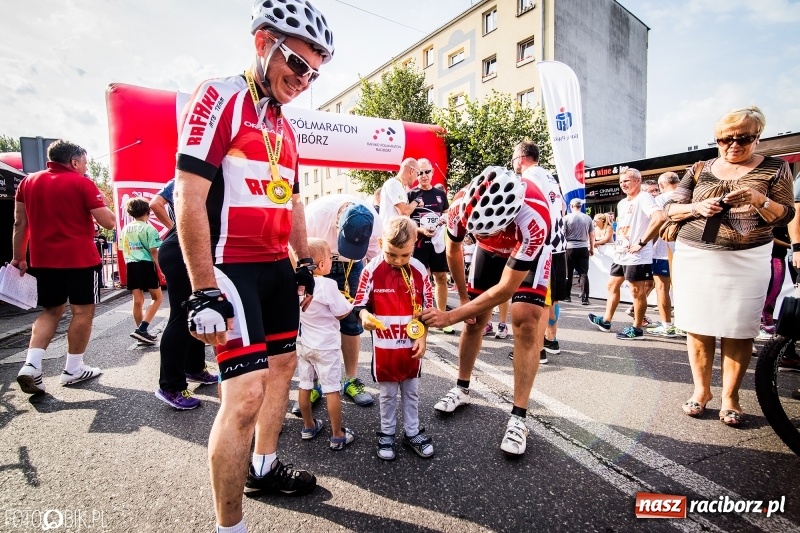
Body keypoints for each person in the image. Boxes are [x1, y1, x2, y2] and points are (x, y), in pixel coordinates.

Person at [174, 2, 334, 530]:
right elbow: (188, 195)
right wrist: (202, 290)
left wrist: (303, 263)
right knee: (243, 397)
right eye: (298, 64)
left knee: (283, 372)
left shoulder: (283, 124)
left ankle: (263, 466)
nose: (304, 79)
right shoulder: (221, 95)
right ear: (264, 42)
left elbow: (290, 202)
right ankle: (230, 525)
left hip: (274, 269)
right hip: (229, 266)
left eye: (314, 72)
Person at [663, 106, 795, 426]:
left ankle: (730, 396)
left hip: (747, 257)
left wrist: (758, 199)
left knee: (739, 328)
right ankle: (701, 392)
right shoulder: (699, 168)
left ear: (757, 137)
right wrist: (696, 207)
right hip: (696, 254)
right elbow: (670, 208)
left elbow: (787, 215)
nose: (733, 145)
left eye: (743, 138)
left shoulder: (775, 169)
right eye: (724, 139)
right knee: (698, 325)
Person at [420, 166, 551, 456]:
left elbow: (505, 290)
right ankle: (462, 388)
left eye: (490, 230)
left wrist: (450, 316)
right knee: (475, 320)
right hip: (489, 253)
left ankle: (519, 418)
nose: (483, 234)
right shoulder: (459, 207)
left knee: (525, 321)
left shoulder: (534, 217)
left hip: (528, 250)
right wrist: (465, 303)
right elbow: (453, 250)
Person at [13, 140, 115, 394]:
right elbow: (109, 222)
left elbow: (19, 223)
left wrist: (19, 258)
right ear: (74, 162)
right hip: (80, 259)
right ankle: (73, 369)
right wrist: (100, 200)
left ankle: (31, 366)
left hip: (43, 259)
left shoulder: (27, 182)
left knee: (51, 311)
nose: (85, 167)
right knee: (82, 313)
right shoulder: (81, 182)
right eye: (84, 163)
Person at [354, 216, 434, 461]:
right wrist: (365, 316)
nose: (398, 261)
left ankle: (412, 432)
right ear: (380, 243)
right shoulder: (371, 270)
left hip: (411, 346)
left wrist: (424, 337)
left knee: (411, 392)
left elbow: (427, 309)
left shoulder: (420, 270)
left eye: (405, 255)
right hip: (385, 348)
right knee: (387, 393)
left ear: (414, 246)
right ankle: (386, 433)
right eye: (392, 254)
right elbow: (359, 304)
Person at [302, 193, 381, 409]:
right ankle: (312, 384)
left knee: (352, 321)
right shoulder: (315, 216)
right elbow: (299, 251)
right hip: (316, 264)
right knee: (313, 321)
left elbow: (377, 262)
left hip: (352, 267)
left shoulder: (374, 222)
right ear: (338, 222)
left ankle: (351, 380)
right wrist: (304, 281)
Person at [149, 179, 218, 410]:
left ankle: (194, 367)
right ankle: (171, 386)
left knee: (198, 309)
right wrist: (174, 228)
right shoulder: (197, 171)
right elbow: (155, 203)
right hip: (183, 250)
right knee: (181, 316)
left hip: (186, 247)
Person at [587, 168, 665, 340]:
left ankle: (637, 329)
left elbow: (659, 218)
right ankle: (606, 321)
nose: (623, 185)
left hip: (637, 255)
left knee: (637, 292)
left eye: (627, 181)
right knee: (612, 285)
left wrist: (641, 243)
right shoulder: (622, 203)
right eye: (621, 182)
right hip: (621, 253)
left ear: (638, 180)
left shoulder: (644, 198)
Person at [296, 238, 355, 450]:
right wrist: (352, 303)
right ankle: (337, 434)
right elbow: (342, 313)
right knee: (332, 389)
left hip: (304, 345)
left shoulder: (298, 285)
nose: (331, 261)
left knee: (304, 385)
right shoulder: (328, 285)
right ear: (321, 265)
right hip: (326, 347)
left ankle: (308, 426)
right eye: (330, 258)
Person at [512, 141, 566, 362]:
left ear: (522, 158)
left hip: (542, 245)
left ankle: (538, 349)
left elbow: (526, 208)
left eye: (514, 157)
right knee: (551, 299)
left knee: (540, 300)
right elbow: (561, 206)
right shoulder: (549, 176)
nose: (513, 162)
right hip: (558, 244)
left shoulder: (529, 177)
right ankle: (551, 339)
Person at [408, 158, 452, 333]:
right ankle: (417, 318)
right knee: (418, 280)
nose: (424, 176)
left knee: (441, 278)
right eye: (420, 173)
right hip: (418, 243)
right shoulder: (411, 194)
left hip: (437, 243)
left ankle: (442, 318)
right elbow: (405, 219)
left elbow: (448, 213)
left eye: (427, 172)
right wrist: (420, 229)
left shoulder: (440, 194)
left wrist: (444, 219)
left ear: (432, 172)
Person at [120, 198, 163, 345]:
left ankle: (141, 333)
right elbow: (153, 251)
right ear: (147, 211)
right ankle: (142, 329)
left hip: (131, 265)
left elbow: (122, 248)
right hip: (146, 264)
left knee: (137, 301)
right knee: (157, 298)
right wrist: (161, 269)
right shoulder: (149, 229)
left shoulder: (125, 229)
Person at [646, 172, 682, 337]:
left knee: (662, 289)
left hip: (663, 251)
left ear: (661, 186)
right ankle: (684, 325)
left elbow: (657, 222)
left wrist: (644, 244)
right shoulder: (689, 196)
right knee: (684, 291)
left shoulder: (659, 199)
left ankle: (667, 325)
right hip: (685, 251)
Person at [563, 198, 594, 305]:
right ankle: (585, 298)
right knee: (583, 273)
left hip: (569, 246)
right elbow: (592, 235)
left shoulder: (566, 218)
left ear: (571, 206)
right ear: (580, 206)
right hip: (583, 246)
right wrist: (592, 248)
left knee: (568, 272)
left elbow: (563, 234)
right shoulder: (588, 218)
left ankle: (567, 296)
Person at [378, 158, 420, 228]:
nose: (417, 178)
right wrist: (417, 201)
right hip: (391, 233)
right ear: (412, 171)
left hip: (396, 232)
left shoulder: (399, 185)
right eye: (417, 173)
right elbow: (404, 212)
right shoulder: (393, 184)